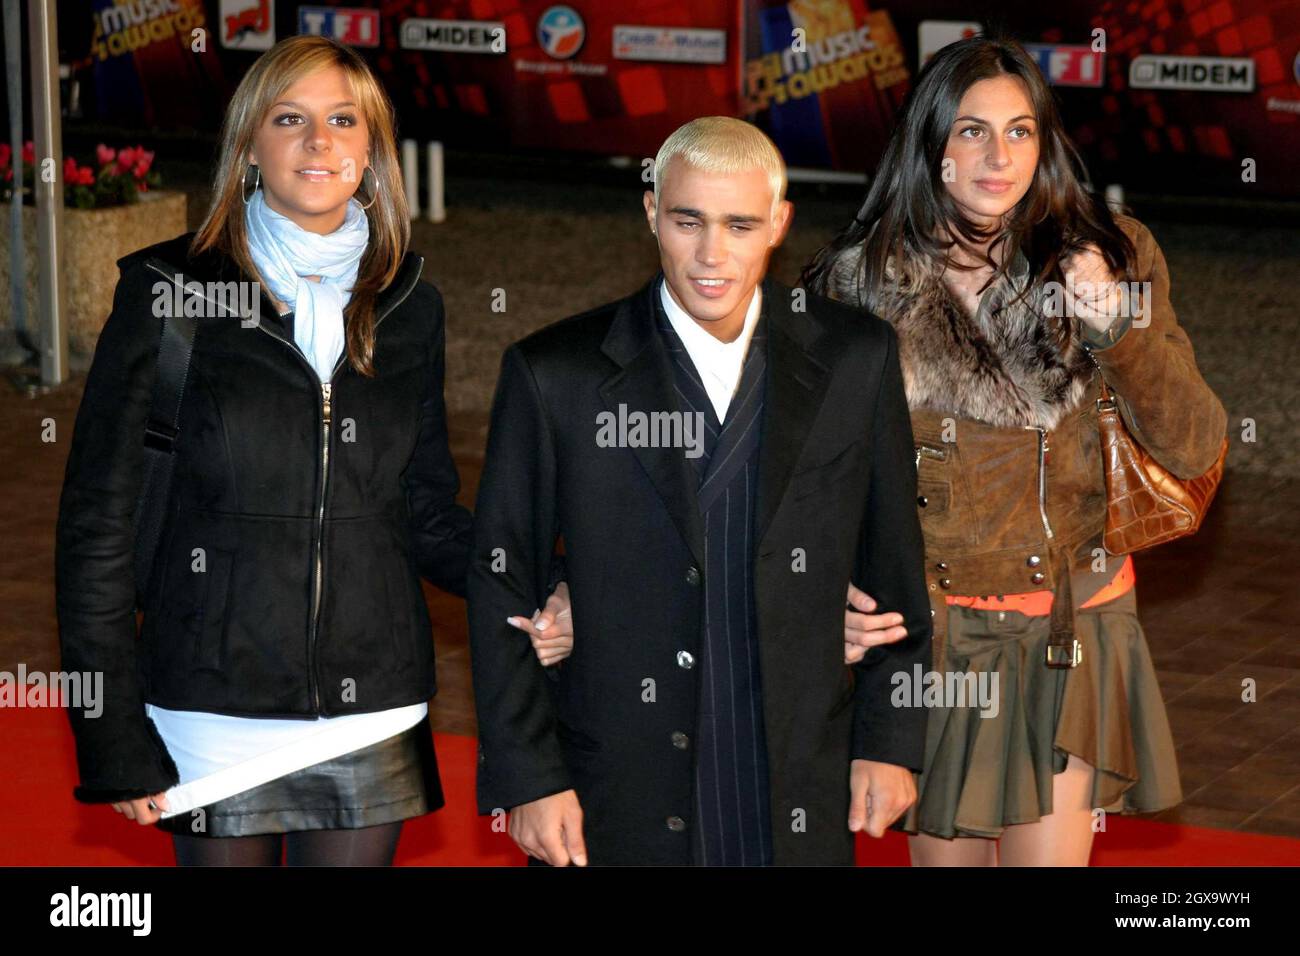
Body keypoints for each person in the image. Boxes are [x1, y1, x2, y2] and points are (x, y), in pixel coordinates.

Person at [54, 35, 572, 867]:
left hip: (375, 702)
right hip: (210, 702)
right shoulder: (171, 294)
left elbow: (425, 511)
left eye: (343, 120)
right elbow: (96, 528)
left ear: (370, 151)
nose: (319, 142)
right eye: (289, 119)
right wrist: (108, 728)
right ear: (250, 144)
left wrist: (544, 584)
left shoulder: (412, 304)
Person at [802, 36, 1228, 865]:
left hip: (1074, 622)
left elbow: (1195, 441)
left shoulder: (1111, 252)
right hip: (940, 635)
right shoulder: (859, 286)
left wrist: (1114, 324)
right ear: (928, 144)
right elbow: (818, 475)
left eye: (1021, 131)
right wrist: (833, 593)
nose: (1000, 156)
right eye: (970, 131)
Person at [466, 116, 932, 866]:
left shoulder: (855, 356)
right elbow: (501, 583)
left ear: (779, 224)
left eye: (740, 225)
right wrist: (529, 778)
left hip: (791, 770)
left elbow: (894, 567)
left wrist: (890, 741)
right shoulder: (556, 373)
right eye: (688, 221)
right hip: (618, 779)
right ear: (651, 212)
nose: (712, 254)